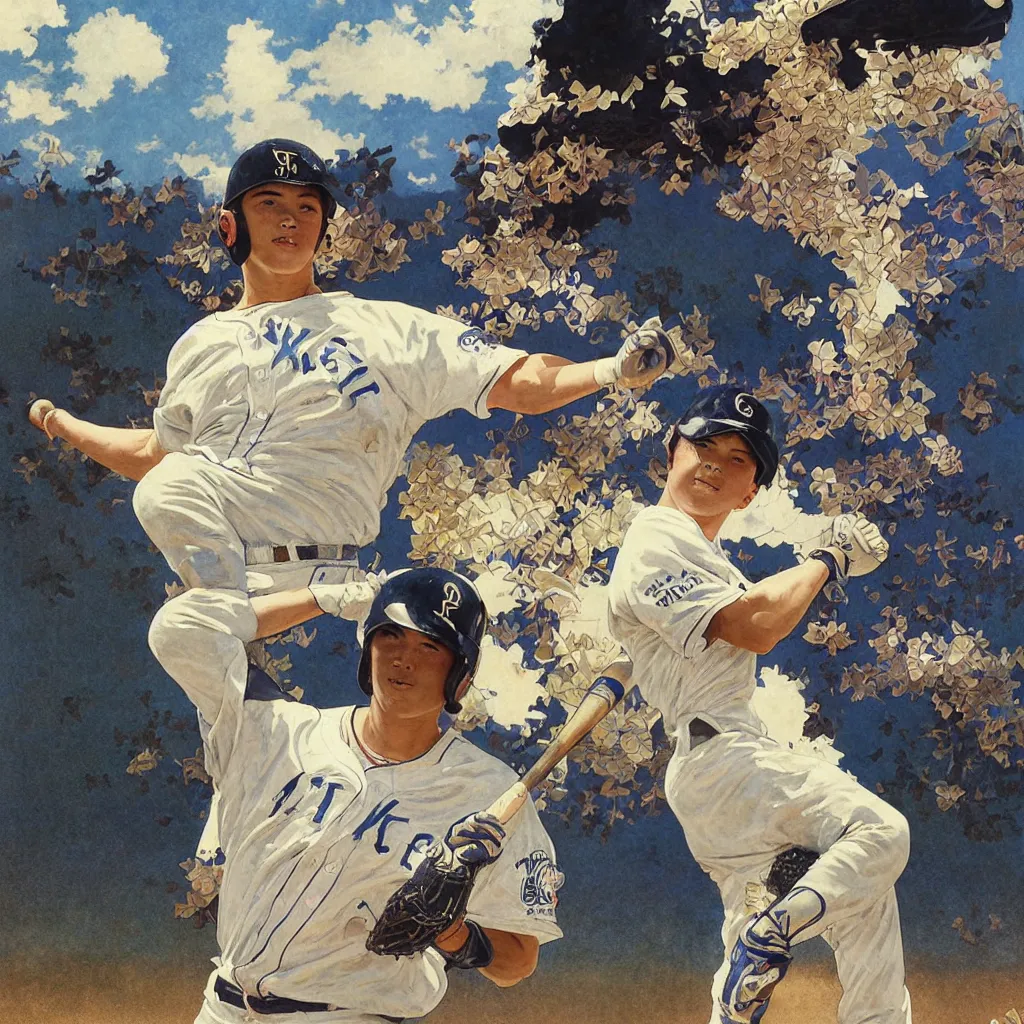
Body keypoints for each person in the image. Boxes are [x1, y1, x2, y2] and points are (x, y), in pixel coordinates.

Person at [26, 137, 669, 867]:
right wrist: (66, 426)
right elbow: (160, 457)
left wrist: (607, 370)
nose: (291, 220)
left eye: (308, 207)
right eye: (270, 203)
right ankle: (242, 705)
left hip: (332, 582)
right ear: (230, 224)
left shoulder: (381, 327)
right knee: (252, 807)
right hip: (235, 582)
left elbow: (516, 379)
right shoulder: (199, 344)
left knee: (352, 817)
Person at [607, 385, 910, 1024]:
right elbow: (759, 625)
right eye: (704, 443)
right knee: (880, 833)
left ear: (750, 493)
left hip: (725, 774)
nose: (717, 461)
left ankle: (789, 962)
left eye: (739, 457)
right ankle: (769, 934)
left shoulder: (703, 555)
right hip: (723, 763)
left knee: (862, 893)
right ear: (671, 450)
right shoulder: (655, 537)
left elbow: (751, 614)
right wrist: (829, 558)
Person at [148, 564, 563, 1023]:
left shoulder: (486, 794)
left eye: (429, 646)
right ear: (368, 650)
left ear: (460, 674)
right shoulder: (275, 730)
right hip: (223, 1009)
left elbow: (518, 962)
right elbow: (181, 628)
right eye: (391, 637)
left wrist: (453, 934)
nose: (404, 658)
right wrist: (327, 598)